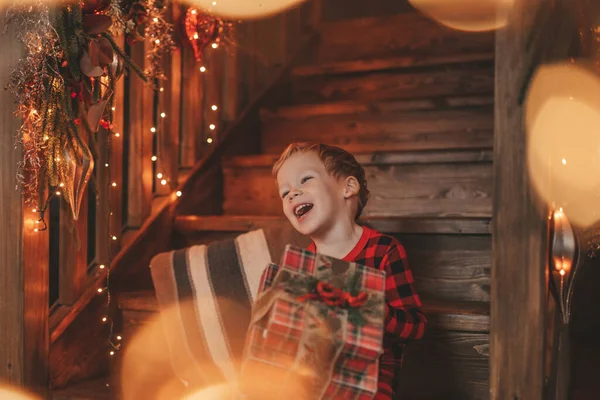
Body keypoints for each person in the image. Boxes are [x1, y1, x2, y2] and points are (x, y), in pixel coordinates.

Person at [272, 142, 427, 400]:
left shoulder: (383, 250)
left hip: (368, 373)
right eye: (284, 192)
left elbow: (415, 327)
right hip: (315, 371)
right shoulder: (300, 264)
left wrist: (374, 309)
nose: (291, 194)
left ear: (348, 187)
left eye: (305, 180)